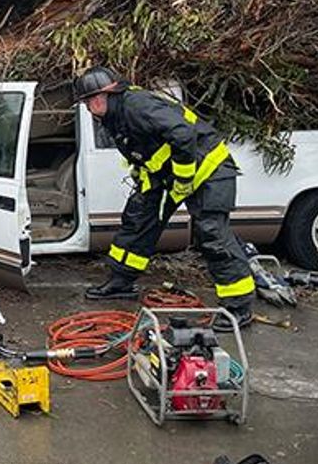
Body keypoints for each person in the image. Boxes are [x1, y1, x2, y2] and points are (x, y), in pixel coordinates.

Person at [74, 66, 255, 330]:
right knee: (138, 221)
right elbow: (146, 148)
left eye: (89, 101)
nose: (88, 107)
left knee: (212, 235)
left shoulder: (137, 105)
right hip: (167, 175)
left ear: (105, 96)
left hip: (208, 170)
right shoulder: (115, 114)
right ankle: (121, 282)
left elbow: (183, 133)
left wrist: (184, 178)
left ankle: (238, 308)